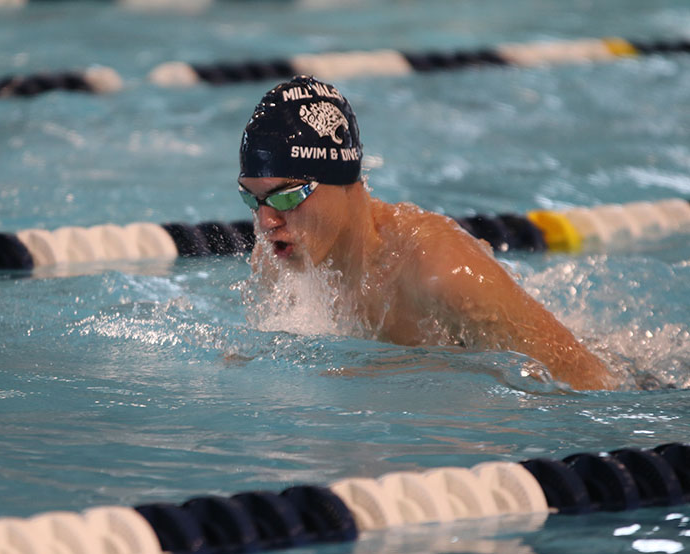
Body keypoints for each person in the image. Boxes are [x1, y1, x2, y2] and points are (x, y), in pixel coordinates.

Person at [237, 75, 617, 390]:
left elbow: (590, 383)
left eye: (286, 196)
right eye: (252, 199)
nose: (267, 221)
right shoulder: (275, 259)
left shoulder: (441, 272)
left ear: (340, 177)